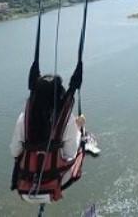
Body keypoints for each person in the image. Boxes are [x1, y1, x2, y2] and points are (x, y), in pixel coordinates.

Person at [10, 74, 86, 203]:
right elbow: (70, 153)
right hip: (55, 185)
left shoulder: (24, 119)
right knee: (83, 143)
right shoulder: (66, 121)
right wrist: (78, 129)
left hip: (25, 187)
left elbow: (15, 151)